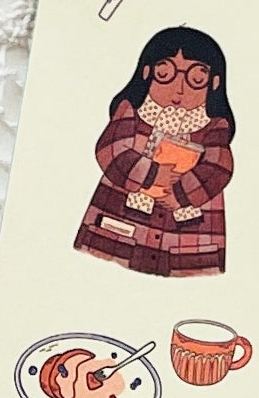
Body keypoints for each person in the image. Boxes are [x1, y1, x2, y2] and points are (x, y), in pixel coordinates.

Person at [75, 27, 236, 279]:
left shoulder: (214, 128)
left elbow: (219, 167)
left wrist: (180, 193)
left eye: (196, 78)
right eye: (165, 74)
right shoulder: (132, 112)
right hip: (119, 228)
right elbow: (111, 150)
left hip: (187, 241)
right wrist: (150, 175)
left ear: (214, 83)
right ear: (147, 72)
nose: (179, 89)